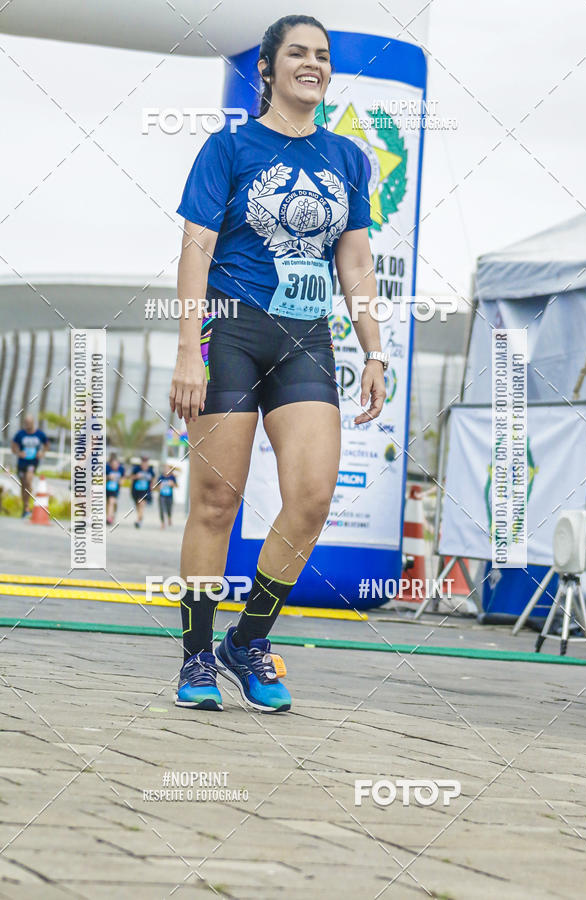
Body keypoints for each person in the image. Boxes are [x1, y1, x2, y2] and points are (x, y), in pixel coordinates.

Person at [170, 15, 387, 713]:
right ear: (269, 67)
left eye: (322, 56)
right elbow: (196, 248)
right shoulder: (229, 147)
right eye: (298, 52)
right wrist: (187, 353)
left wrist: (373, 348)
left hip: (306, 338)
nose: (312, 64)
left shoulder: (347, 158)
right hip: (229, 332)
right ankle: (198, 658)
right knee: (215, 503)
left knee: (313, 498)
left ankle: (248, 640)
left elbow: (354, 260)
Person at [11, 414, 48, 517]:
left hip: (32, 462)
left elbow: (46, 444)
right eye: (25, 423)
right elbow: (13, 447)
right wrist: (19, 453)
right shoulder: (20, 434)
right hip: (22, 463)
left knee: (28, 480)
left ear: (33, 423)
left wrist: (42, 452)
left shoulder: (39, 434)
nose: (27, 425)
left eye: (29, 423)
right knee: (24, 486)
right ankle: (25, 507)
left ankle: (27, 506)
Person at [130, 455, 155, 528]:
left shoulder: (150, 470)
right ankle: (140, 517)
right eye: (143, 462)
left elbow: (153, 479)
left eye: (146, 462)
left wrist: (152, 487)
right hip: (136, 490)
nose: (144, 464)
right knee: (138, 505)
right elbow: (130, 477)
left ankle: (138, 520)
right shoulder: (136, 469)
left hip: (145, 491)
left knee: (141, 504)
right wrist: (136, 476)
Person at [106, 452, 125, 525]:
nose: (115, 466)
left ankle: (110, 517)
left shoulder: (121, 469)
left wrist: (121, 481)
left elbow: (123, 479)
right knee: (109, 503)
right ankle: (109, 517)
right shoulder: (107, 468)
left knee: (112, 502)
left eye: (116, 464)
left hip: (115, 489)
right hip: (107, 489)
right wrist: (108, 477)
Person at [156, 463, 178, 528]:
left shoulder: (172, 477)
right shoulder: (161, 477)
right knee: (161, 509)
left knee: (169, 509)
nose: (166, 470)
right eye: (165, 468)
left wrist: (172, 484)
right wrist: (159, 487)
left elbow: (176, 486)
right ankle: (162, 523)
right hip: (161, 496)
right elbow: (156, 487)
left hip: (169, 496)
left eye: (167, 468)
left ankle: (169, 517)